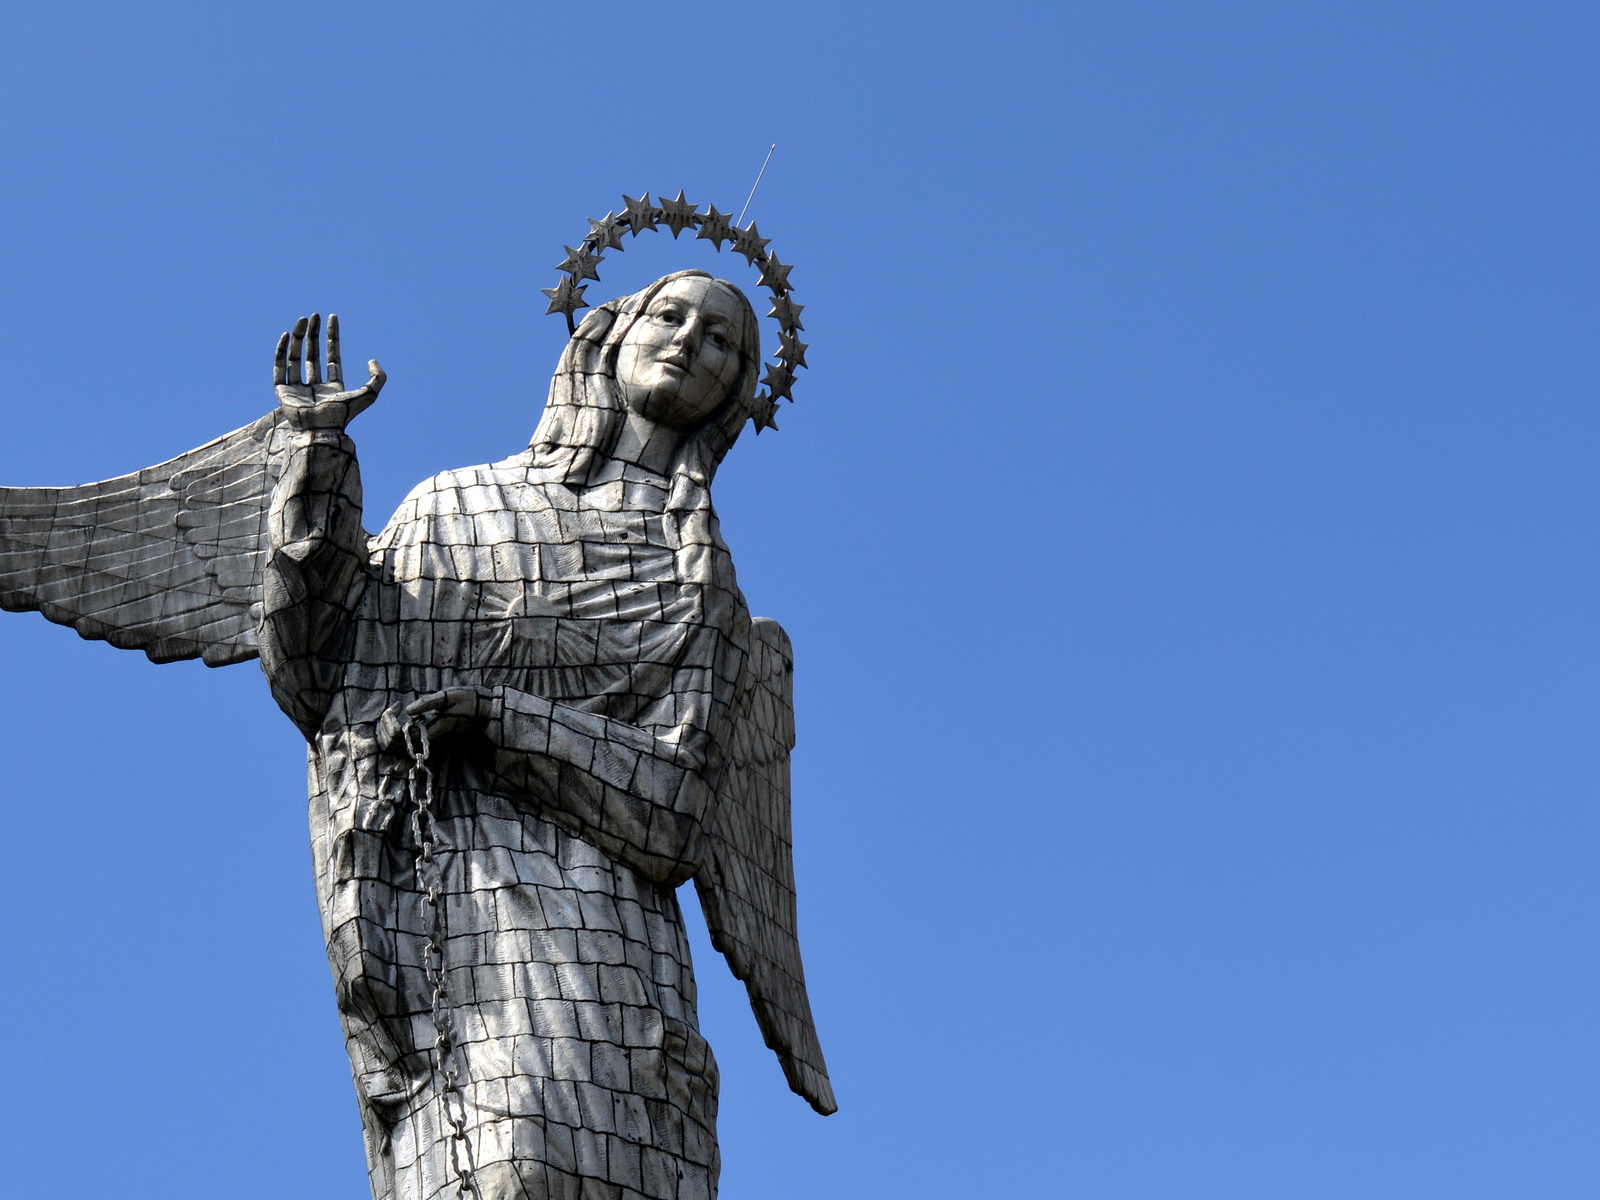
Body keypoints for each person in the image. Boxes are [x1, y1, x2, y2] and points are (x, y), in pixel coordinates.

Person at [258, 270, 766, 1200]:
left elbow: (677, 811)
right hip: (472, 905)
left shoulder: (705, 593)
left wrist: (499, 718)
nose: (692, 341)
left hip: (618, 949)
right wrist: (316, 460)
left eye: (723, 341)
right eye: (672, 314)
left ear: (735, 392)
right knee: (505, 1164)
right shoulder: (459, 507)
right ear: (611, 335)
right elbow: (328, 676)